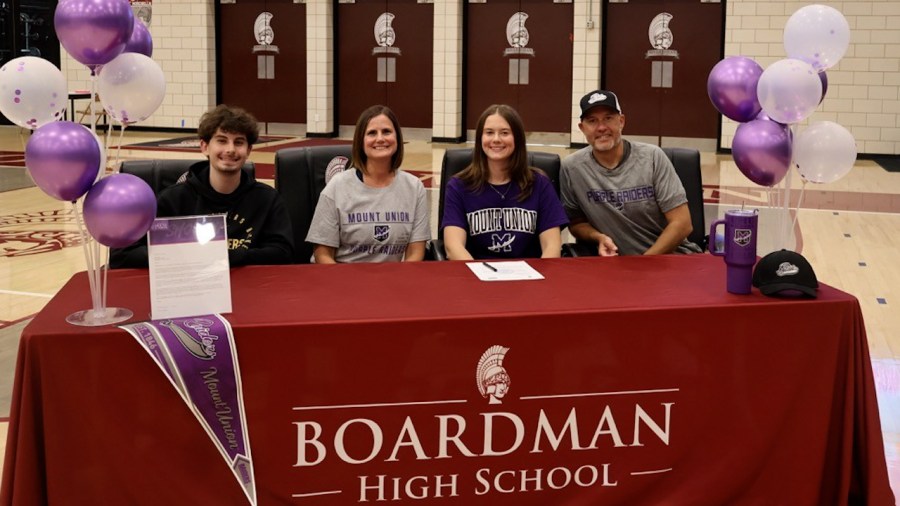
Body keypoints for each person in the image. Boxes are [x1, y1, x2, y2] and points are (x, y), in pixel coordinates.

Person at [110, 104, 294, 268]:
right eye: (221, 140)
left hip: (249, 288)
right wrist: (185, 257)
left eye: (239, 142)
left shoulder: (267, 199)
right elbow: (122, 255)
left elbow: (284, 252)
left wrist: (224, 256)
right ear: (204, 146)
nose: (230, 149)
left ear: (248, 150)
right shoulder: (172, 200)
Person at [560, 90, 701, 256]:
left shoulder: (652, 157)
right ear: (582, 128)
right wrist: (598, 237)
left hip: (670, 256)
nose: (601, 127)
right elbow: (576, 223)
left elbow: (682, 224)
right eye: (592, 121)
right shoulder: (572, 168)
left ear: (621, 121)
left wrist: (642, 263)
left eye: (608, 118)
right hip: (615, 263)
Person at [441, 105, 568, 260]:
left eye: (505, 133)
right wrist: (479, 274)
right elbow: (453, 247)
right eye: (489, 132)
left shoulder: (539, 183)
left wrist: (541, 274)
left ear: (517, 138)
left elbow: (552, 246)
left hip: (529, 272)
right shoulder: (459, 185)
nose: (496, 139)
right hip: (476, 271)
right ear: (480, 138)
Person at [306, 105, 430, 263]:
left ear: (397, 138)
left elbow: (416, 253)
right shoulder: (337, 186)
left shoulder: (414, 187)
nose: (380, 139)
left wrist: (400, 277)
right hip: (343, 274)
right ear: (360, 141)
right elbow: (322, 255)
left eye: (386, 131)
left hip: (393, 276)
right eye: (372, 133)